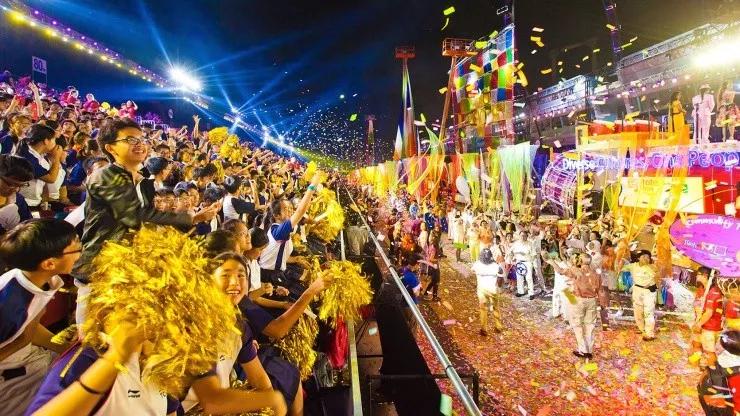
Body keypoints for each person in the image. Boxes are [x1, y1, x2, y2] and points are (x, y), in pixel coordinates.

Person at [71, 118, 217, 325]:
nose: (139, 144)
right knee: (93, 335)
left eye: (141, 139)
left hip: (128, 270)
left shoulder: (142, 182)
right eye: (130, 140)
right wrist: (192, 217)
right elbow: (134, 216)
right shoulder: (105, 176)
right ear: (110, 148)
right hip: (99, 269)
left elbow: (149, 222)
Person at [0, 219, 80, 415]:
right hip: (11, 380)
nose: (82, 253)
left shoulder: (38, 280)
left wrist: (66, 349)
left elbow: (29, 328)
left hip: (29, 357)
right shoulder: (9, 305)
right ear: (49, 263)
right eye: (77, 248)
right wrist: (22, 342)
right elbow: (24, 333)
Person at [258, 173, 321, 286]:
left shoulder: (279, 230)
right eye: (287, 209)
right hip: (269, 277)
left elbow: (278, 256)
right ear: (276, 215)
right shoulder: (278, 231)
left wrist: (296, 259)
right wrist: (312, 185)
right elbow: (300, 211)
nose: (291, 211)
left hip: (275, 273)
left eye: (291, 208)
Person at [547, 253, 600, 359]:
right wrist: (601, 303)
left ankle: (583, 350)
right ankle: (589, 351)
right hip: (592, 300)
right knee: (590, 326)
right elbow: (600, 289)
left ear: (580, 261)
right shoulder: (595, 272)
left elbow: (560, 271)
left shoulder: (576, 270)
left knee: (577, 325)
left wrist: (551, 262)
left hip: (578, 300)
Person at [14, 124, 65, 208]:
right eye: (54, 139)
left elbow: (44, 183)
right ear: (46, 141)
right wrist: (57, 157)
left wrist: (44, 202)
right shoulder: (28, 157)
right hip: (25, 203)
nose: (55, 144)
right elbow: (51, 179)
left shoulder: (38, 154)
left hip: (35, 202)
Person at [623, 250, 658, 341]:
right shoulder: (633, 266)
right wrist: (620, 258)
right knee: (638, 311)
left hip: (649, 291)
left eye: (648, 257)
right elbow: (620, 267)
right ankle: (642, 329)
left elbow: (658, 276)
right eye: (644, 257)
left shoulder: (652, 267)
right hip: (637, 290)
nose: (646, 259)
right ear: (638, 258)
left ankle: (650, 333)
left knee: (648, 312)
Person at [692, 267, 723, 369]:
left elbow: (709, 313)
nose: (696, 276)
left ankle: (712, 371)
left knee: (709, 351)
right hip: (701, 323)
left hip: (709, 327)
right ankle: (700, 366)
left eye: (698, 274)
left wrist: (699, 324)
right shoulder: (703, 289)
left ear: (705, 276)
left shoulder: (714, 292)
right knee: (696, 344)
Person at [471, 248, 505, 336]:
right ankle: (498, 327)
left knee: (483, 309)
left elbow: (473, 270)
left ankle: (484, 329)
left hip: (482, 289)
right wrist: (499, 286)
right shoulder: (496, 266)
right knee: (495, 307)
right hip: (493, 290)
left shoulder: (477, 264)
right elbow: (500, 279)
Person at [0, 154, 34, 234]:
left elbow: (29, 223)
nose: (16, 190)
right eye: (10, 184)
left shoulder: (19, 199)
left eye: (21, 186)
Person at [511, 230, 535, 299]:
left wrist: (532, 262)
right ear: (519, 236)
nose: (523, 237)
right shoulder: (516, 243)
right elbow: (511, 251)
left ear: (527, 236)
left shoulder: (530, 244)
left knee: (529, 278)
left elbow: (534, 254)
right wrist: (512, 258)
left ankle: (531, 293)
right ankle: (520, 292)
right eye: (521, 235)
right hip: (519, 262)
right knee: (519, 278)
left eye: (524, 236)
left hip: (527, 262)